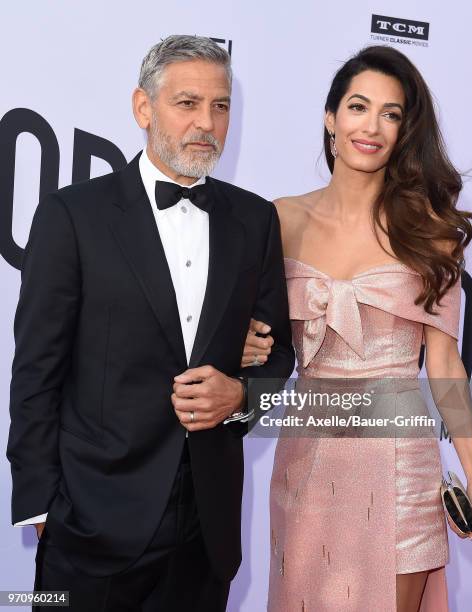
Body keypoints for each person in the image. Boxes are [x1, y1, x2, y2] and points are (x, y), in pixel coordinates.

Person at [7, 35, 295, 611]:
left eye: (220, 106)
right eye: (187, 103)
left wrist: (240, 395)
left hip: (204, 530)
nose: (207, 123)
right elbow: (36, 370)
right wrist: (43, 510)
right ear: (144, 107)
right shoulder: (73, 216)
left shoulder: (254, 219)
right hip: (90, 522)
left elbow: (279, 352)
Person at [241, 45, 472, 611]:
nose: (371, 126)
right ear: (331, 118)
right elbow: (256, 339)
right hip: (307, 458)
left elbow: (446, 365)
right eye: (357, 107)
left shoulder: (432, 231)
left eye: (391, 113)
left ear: (404, 131)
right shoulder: (278, 219)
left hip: (400, 459)